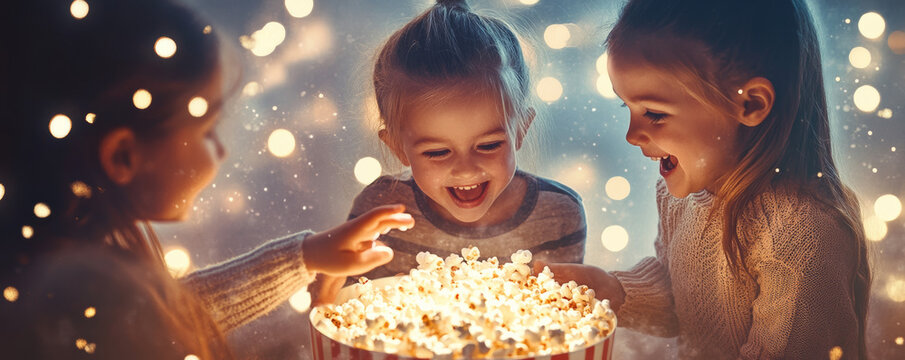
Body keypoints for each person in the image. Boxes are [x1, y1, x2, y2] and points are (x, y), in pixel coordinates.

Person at [0, 0, 413, 358]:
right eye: (207, 131)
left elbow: (170, 313)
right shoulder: (78, 286)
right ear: (123, 155)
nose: (221, 151)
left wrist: (305, 256)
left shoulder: (80, 261)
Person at [538, 0, 871, 358]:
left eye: (654, 114)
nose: (632, 136)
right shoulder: (680, 195)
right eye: (627, 107)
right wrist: (613, 290)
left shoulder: (801, 235)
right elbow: (683, 300)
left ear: (751, 105)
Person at [316, 0, 587, 296]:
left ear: (521, 129)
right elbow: (342, 306)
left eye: (489, 145)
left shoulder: (558, 215)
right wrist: (326, 294)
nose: (466, 170)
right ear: (397, 147)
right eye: (437, 152)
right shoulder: (379, 212)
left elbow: (568, 310)